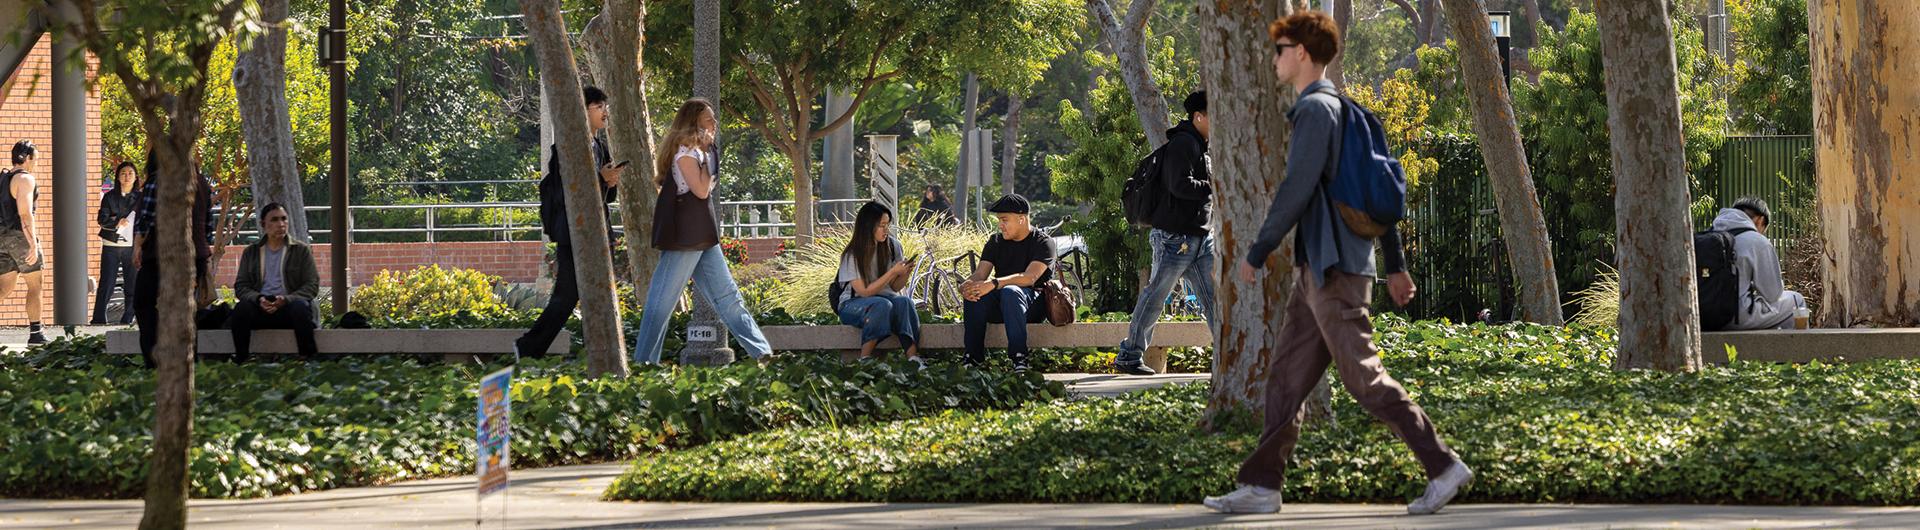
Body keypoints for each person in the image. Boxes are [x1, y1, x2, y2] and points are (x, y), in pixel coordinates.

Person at [1204, 11, 1470, 516]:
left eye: (1281, 50)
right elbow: (1378, 196)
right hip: (1319, 272)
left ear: (1302, 53)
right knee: (1286, 379)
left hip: (1335, 275)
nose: (1275, 59)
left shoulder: (1315, 111)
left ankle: (1442, 466)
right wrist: (1396, 264)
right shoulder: (1347, 111)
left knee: (1364, 379)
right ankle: (1262, 486)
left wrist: (1258, 251)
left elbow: (1296, 189)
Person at [632, 98, 772, 364]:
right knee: (662, 303)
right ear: (694, 124)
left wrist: (708, 154)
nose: (714, 123)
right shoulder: (686, 153)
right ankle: (643, 362)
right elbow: (701, 190)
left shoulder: (698, 152)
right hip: (686, 238)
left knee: (728, 297)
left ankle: (762, 352)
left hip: (701, 235)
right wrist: (709, 156)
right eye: (709, 120)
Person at [514, 86, 625, 358]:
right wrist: (600, 179)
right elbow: (569, 193)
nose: (605, 112)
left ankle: (599, 352)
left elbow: (605, 197)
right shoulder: (567, 148)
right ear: (582, 111)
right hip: (575, 233)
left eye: (605, 106)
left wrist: (610, 182)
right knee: (566, 295)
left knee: (598, 294)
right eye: (598, 106)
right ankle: (528, 347)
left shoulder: (600, 146)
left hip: (599, 231)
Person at [1117, 91, 1219, 376]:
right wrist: (1215, 186)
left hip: (1200, 238)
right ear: (1199, 117)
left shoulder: (1201, 145)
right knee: (1156, 296)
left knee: (1215, 299)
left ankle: (1229, 355)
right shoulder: (1184, 143)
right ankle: (1129, 355)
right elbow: (1179, 185)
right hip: (1175, 239)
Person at [133, 152, 216, 367]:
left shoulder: (159, 180)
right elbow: (209, 224)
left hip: (163, 255)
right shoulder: (201, 181)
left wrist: (138, 246)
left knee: (143, 302)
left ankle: (155, 359)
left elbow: (147, 219)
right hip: (195, 255)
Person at [960, 193, 1055, 371]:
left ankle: (1020, 358)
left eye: (1004, 220)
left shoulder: (1043, 242)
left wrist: (994, 283)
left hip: (1032, 304)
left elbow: (1030, 277)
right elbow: (980, 273)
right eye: (999, 220)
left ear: (1021, 219)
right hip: (1002, 304)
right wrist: (967, 285)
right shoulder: (995, 241)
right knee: (974, 293)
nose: (1000, 225)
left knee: (1011, 291)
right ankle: (972, 357)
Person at [833, 201, 922, 366]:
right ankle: (865, 360)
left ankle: (913, 359)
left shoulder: (893, 246)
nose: (886, 230)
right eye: (882, 225)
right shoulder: (852, 254)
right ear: (868, 226)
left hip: (885, 301)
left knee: (905, 302)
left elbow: (895, 287)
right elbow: (864, 291)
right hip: (853, 305)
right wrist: (892, 272)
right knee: (881, 305)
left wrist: (904, 273)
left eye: (888, 225)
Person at [228, 203, 320, 362]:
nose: (281, 224)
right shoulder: (251, 252)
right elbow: (241, 286)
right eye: (275, 220)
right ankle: (242, 360)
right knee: (241, 309)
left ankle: (307, 359)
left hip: (289, 307)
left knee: (301, 307)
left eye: (284, 219)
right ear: (263, 224)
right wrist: (259, 299)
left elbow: (312, 285)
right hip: (261, 306)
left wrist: (286, 299)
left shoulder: (301, 250)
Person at [1711, 197, 1804, 330]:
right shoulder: (1756, 240)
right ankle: (1793, 344)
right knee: (1796, 299)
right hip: (1734, 317)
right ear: (1760, 220)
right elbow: (1773, 294)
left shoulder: (1709, 235)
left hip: (1703, 316)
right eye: (1763, 229)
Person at [0, 140, 48, 344]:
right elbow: (25, 213)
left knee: (4, 288)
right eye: (35, 159)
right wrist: (33, 244)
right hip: (20, 237)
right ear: (27, 158)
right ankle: (36, 334)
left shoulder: (3, 178)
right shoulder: (25, 179)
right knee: (35, 284)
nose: (36, 163)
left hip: (1, 238)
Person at [93, 161, 140, 325]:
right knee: (107, 283)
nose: (127, 177)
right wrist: (116, 222)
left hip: (132, 246)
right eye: (123, 173)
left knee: (132, 284)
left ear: (136, 177)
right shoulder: (109, 197)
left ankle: (128, 318)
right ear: (118, 177)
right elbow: (102, 219)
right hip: (111, 245)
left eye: (130, 173)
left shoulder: (140, 198)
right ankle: (98, 319)